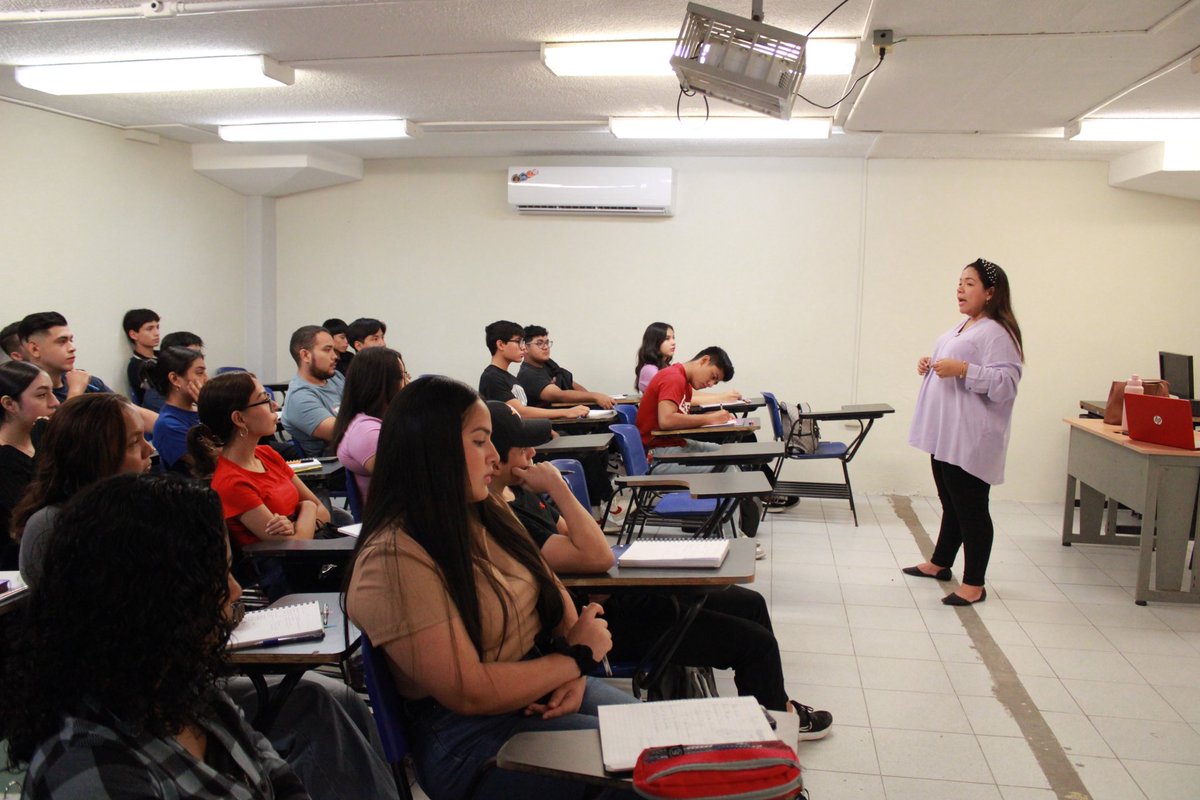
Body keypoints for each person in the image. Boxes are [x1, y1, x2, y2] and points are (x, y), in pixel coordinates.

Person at [345, 375, 638, 800]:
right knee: (648, 778)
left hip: (540, 686)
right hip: (469, 738)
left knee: (671, 746)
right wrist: (575, 659)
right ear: (434, 450)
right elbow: (469, 691)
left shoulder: (487, 510)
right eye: (480, 441)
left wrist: (573, 668)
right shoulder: (392, 559)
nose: (495, 456)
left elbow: (551, 589)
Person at [486, 401, 833, 737]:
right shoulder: (507, 518)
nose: (534, 454)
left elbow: (589, 539)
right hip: (599, 620)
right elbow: (598, 557)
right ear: (495, 459)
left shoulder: (522, 494)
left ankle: (775, 705)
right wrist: (558, 488)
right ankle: (777, 727)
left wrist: (557, 500)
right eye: (523, 448)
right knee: (755, 645)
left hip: (615, 594)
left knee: (751, 604)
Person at [0, 474, 313, 799]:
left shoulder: (180, 687)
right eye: (219, 576)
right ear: (156, 600)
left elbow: (272, 771)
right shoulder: (92, 769)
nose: (234, 591)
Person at [904, 258, 1024, 606]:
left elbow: (1006, 382)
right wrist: (931, 363)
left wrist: (964, 369)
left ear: (990, 292)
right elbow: (956, 364)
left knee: (971, 508)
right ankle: (940, 562)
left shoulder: (997, 332)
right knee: (951, 502)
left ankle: (974, 583)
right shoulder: (964, 326)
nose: (960, 288)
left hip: (971, 436)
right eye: (960, 282)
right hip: (948, 433)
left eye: (969, 283)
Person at [12, 392, 154, 586]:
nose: (149, 450)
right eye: (134, 442)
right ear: (92, 456)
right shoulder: (51, 526)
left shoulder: (141, 505)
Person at [190, 372, 331, 552]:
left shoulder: (267, 454)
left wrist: (300, 521)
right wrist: (308, 508)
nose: (274, 405)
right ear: (239, 419)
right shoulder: (232, 482)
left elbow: (323, 512)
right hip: (286, 567)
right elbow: (295, 547)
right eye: (264, 399)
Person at [634, 346, 762, 542]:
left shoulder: (683, 382)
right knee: (728, 471)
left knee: (728, 454)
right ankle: (732, 540)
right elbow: (666, 420)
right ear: (704, 360)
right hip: (658, 457)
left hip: (672, 447)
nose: (710, 384)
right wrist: (710, 419)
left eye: (715, 382)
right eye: (712, 376)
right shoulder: (673, 378)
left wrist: (714, 419)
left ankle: (731, 531)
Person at [18, 311, 158, 431]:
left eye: (71, 340)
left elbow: (132, 413)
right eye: (62, 341)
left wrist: (168, 427)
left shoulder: (87, 382)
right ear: (35, 349)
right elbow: (56, 439)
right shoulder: (24, 394)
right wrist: (75, 392)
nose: (72, 347)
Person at [0, 362, 58, 569]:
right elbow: (26, 520)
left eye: (52, 392)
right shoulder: (4, 460)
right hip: (22, 562)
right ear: (9, 404)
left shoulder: (43, 440)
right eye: (42, 395)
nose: (54, 403)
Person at [333, 346, 409, 504]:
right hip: (393, 514)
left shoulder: (380, 422)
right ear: (381, 384)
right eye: (402, 377)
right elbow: (407, 478)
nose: (408, 383)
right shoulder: (366, 431)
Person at [479, 320, 587, 421]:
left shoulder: (511, 378)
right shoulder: (492, 377)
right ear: (501, 345)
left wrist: (550, 430)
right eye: (518, 342)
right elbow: (520, 412)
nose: (523, 348)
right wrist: (566, 412)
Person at [280, 325, 345, 457]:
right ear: (305, 355)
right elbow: (343, 433)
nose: (335, 356)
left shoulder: (335, 377)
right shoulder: (299, 397)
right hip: (335, 464)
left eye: (333, 349)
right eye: (327, 350)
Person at [517, 325, 614, 409]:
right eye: (539, 343)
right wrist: (594, 396)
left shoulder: (548, 364)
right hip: (552, 421)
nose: (546, 347)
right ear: (525, 347)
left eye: (547, 342)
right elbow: (560, 395)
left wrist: (595, 397)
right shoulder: (528, 374)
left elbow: (571, 384)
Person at [148, 346, 208, 474]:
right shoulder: (168, 425)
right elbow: (210, 464)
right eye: (199, 373)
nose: (206, 378)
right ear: (175, 379)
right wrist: (208, 410)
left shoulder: (198, 410)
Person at [122, 307, 163, 411]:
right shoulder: (136, 366)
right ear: (133, 334)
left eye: (157, 327)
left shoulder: (165, 355)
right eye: (149, 329)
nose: (157, 333)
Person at [634, 321, 675, 392]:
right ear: (654, 342)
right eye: (667, 339)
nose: (673, 342)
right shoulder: (649, 369)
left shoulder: (666, 367)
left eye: (673, 338)